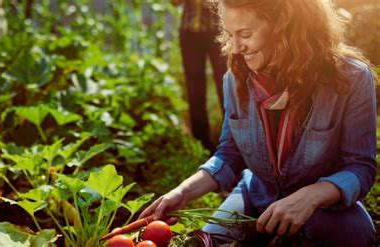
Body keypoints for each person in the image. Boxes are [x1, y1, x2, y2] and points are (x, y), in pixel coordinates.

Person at [140, 0, 377, 246]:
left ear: (285, 27)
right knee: (210, 241)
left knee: (356, 237)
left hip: (323, 207)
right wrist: (183, 192)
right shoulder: (235, 78)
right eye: (230, 35)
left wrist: (312, 196)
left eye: (245, 34)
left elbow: (360, 167)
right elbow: (229, 154)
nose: (235, 48)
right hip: (257, 194)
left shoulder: (351, 79)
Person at [172, 0, 228, 152]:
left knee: (226, 84)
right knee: (194, 89)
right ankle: (201, 144)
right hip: (190, 33)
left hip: (218, 29)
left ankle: (233, 139)